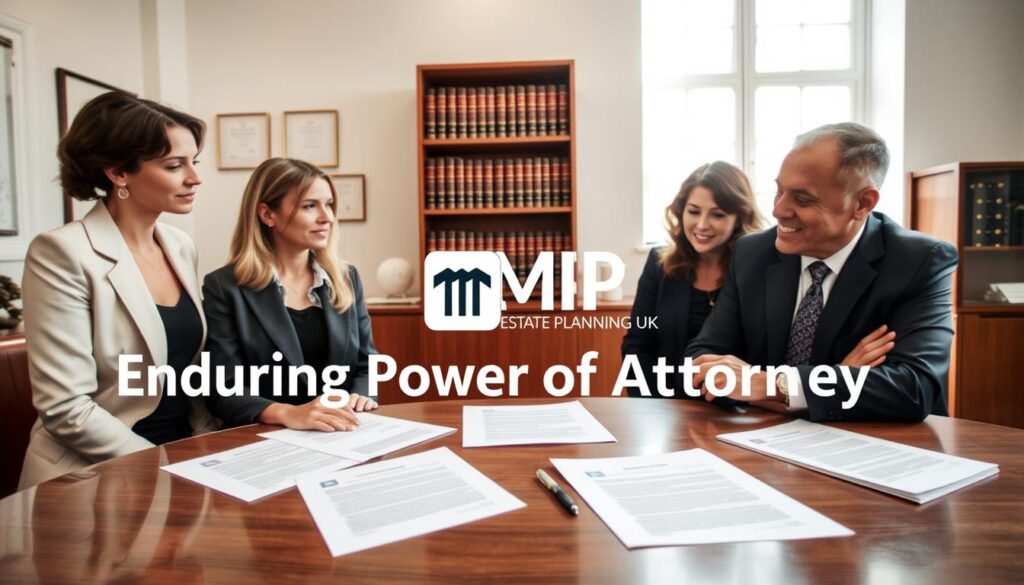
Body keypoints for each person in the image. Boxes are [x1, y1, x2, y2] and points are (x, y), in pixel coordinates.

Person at [687, 122, 956, 422]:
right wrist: (838, 377)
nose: (778, 210)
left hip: (879, 451)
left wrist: (770, 384)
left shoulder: (918, 261)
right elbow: (700, 360)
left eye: (802, 199)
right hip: (766, 445)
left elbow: (914, 390)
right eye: (779, 190)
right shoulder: (753, 253)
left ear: (862, 203)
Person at [19, 91, 217, 489]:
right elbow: (65, 407)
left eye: (193, 162)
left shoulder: (180, 246)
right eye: (174, 165)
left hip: (181, 459)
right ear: (118, 173)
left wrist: (210, 448)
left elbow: (188, 372)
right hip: (97, 473)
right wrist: (160, 467)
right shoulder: (61, 252)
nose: (194, 178)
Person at [203, 157, 378, 431]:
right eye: (310, 206)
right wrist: (288, 414)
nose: (327, 217)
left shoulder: (346, 278)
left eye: (329, 205)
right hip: (264, 441)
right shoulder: (224, 287)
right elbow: (222, 388)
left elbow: (367, 363)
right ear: (267, 214)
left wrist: (361, 395)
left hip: (342, 434)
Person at [621, 161, 763, 397]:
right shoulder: (659, 262)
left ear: (739, 217)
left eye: (717, 214)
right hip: (664, 406)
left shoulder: (756, 269)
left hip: (736, 408)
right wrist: (650, 407)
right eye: (694, 211)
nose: (702, 225)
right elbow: (637, 344)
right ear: (681, 211)